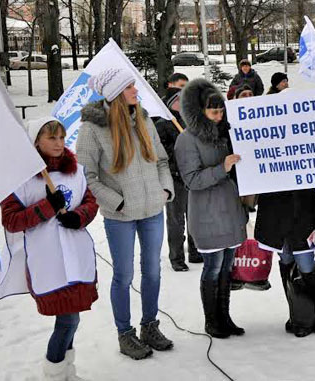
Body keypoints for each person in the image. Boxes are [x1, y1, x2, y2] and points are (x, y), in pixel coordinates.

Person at [76, 68, 174, 360]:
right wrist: (116, 202)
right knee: (124, 275)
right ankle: (125, 333)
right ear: (116, 93)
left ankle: (150, 326)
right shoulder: (92, 128)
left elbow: (161, 161)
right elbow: (87, 175)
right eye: (130, 86)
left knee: (153, 271)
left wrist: (164, 191)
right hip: (120, 216)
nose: (136, 90)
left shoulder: (143, 119)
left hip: (153, 210)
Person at [1, 117, 99, 380]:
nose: (58, 144)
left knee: (72, 320)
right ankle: (55, 373)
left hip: (77, 255)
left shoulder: (76, 170)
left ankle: (65, 371)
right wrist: (46, 207)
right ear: (36, 142)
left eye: (61, 138)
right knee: (68, 320)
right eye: (51, 138)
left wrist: (79, 216)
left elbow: (91, 202)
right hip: (49, 260)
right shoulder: (21, 178)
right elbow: (11, 220)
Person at [174, 78, 247, 338]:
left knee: (227, 267)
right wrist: (222, 168)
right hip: (206, 213)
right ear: (200, 111)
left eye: (221, 110)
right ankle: (211, 320)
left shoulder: (225, 132)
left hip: (229, 209)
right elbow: (191, 180)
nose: (218, 116)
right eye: (213, 111)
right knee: (213, 267)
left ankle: (225, 317)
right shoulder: (187, 140)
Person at [155, 88, 203, 271]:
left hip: (194, 178)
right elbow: (161, 154)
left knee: (194, 217)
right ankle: (177, 257)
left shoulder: (192, 121)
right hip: (175, 179)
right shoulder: (163, 124)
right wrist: (181, 154)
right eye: (179, 99)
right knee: (176, 221)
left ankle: (195, 251)